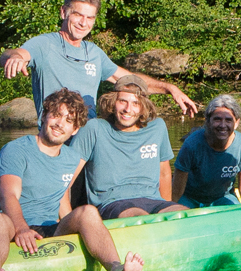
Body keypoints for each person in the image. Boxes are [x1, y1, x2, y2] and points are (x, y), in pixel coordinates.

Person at [0, 89, 144, 271]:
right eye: (56, 115)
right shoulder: (15, 150)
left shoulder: (71, 158)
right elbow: (8, 195)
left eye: (68, 120)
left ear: (75, 130)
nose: (60, 124)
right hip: (13, 227)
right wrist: (22, 229)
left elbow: (61, 200)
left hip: (51, 228)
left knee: (88, 211)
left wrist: (78, 228)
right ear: (44, 116)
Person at [0, 0, 198, 117]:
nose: (83, 23)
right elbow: (14, 54)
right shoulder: (45, 44)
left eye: (90, 18)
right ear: (63, 12)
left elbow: (130, 80)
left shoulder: (93, 53)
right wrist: (14, 57)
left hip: (89, 139)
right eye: (78, 15)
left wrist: (169, 88)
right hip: (56, 137)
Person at [75, 77, 178, 219]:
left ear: (143, 107)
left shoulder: (157, 128)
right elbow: (67, 176)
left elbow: (164, 174)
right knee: (137, 216)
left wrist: (168, 211)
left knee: (182, 213)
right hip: (112, 203)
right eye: (122, 101)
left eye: (135, 103)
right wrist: (66, 220)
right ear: (112, 102)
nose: (128, 109)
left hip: (152, 199)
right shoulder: (95, 128)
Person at [172, 94, 241, 206]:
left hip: (223, 197)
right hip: (190, 197)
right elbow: (177, 188)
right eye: (217, 119)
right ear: (207, 121)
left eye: (228, 120)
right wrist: (171, 209)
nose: (223, 125)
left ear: (236, 123)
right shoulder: (191, 144)